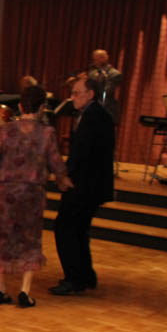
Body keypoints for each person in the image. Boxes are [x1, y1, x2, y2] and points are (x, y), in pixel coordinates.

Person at [0, 86, 73, 308]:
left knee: (1, 238)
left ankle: (0, 288)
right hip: (32, 194)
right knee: (29, 240)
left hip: (4, 193)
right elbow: (57, 165)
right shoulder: (47, 133)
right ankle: (25, 291)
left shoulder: (4, 131)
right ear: (42, 107)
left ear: (20, 106)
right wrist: (64, 181)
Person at [50, 76, 115, 296]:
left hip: (85, 186)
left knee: (65, 229)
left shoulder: (95, 117)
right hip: (87, 184)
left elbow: (84, 154)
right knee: (77, 230)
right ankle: (85, 276)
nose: (72, 97)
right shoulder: (91, 114)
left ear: (90, 94)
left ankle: (74, 279)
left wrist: (65, 176)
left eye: (77, 93)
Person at [87, 49, 122, 120]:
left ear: (106, 58)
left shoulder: (115, 74)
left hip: (106, 109)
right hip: (90, 108)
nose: (97, 60)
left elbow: (107, 91)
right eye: (95, 58)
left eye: (100, 57)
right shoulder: (92, 73)